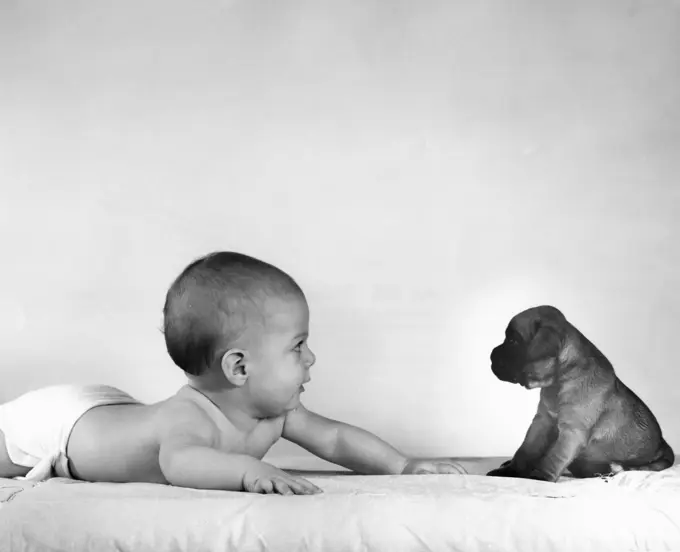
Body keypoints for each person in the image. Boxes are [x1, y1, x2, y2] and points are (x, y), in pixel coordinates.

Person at [0, 251, 464, 495]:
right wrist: (247, 471)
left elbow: (337, 440)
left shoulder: (277, 414)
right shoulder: (190, 418)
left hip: (114, 411)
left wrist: (402, 465)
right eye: (297, 346)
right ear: (239, 367)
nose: (312, 358)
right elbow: (177, 464)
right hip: (63, 422)